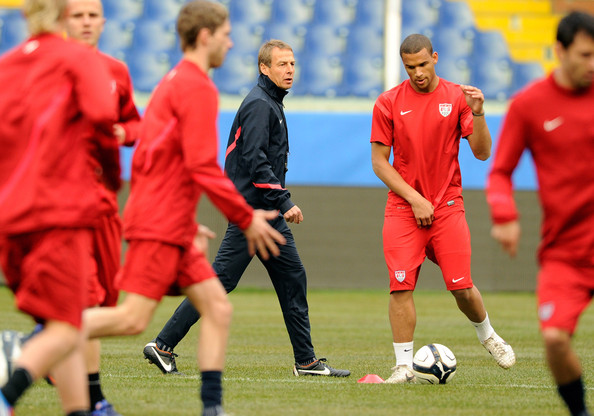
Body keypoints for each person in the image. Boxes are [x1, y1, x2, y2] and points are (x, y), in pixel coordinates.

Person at [82, 2, 286, 416]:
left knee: (217, 306)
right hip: (159, 223)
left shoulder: (175, 81)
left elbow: (149, 160)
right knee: (131, 319)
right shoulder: (195, 86)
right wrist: (245, 218)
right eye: (226, 35)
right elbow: (201, 167)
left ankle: (212, 408)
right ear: (206, 36)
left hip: (167, 219)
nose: (231, 42)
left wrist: (184, 218)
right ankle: (37, 342)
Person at [142, 39, 350, 378]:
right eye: (282, 64)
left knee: (291, 278)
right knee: (219, 281)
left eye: (293, 64)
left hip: (262, 214)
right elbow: (255, 161)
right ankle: (163, 344)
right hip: (252, 213)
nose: (290, 70)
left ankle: (307, 361)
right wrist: (284, 201)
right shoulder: (260, 105)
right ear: (264, 68)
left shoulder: (270, 103)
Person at [370, 33, 516, 384]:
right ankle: (403, 366)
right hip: (404, 209)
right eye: (410, 67)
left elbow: (481, 152)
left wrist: (479, 114)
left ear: (435, 57)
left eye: (422, 64)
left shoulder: (457, 97)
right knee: (400, 286)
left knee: (461, 287)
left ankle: (488, 336)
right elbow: (379, 162)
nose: (417, 73)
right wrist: (414, 198)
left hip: (448, 207)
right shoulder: (388, 102)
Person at [0, 0, 118, 414]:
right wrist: (112, 177)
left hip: (11, 217)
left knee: (61, 323)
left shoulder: (6, 64)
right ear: (65, 15)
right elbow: (104, 118)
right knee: (70, 325)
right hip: (58, 212)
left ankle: (79, 410)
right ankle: (7, 387)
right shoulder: (76, 58)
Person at [487, 11, 594, 416]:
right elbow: (499, 173)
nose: (592, 65)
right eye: (584, 55)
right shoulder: (530, 105)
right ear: (559, 51)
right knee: (554, 339)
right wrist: (504, 214)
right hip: (565, 252)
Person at [61, 1, 140, 414]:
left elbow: (137, 124)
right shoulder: (48, 70)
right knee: (87, 300)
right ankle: (94, 399)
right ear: (63, 20)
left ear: (104, 22)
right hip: (63, 205)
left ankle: (44, 343)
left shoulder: (116, 71)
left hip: (106, 203)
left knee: (108, 300)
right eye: (78, 15)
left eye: (93, 15)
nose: (87, 22)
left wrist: (123, 130)